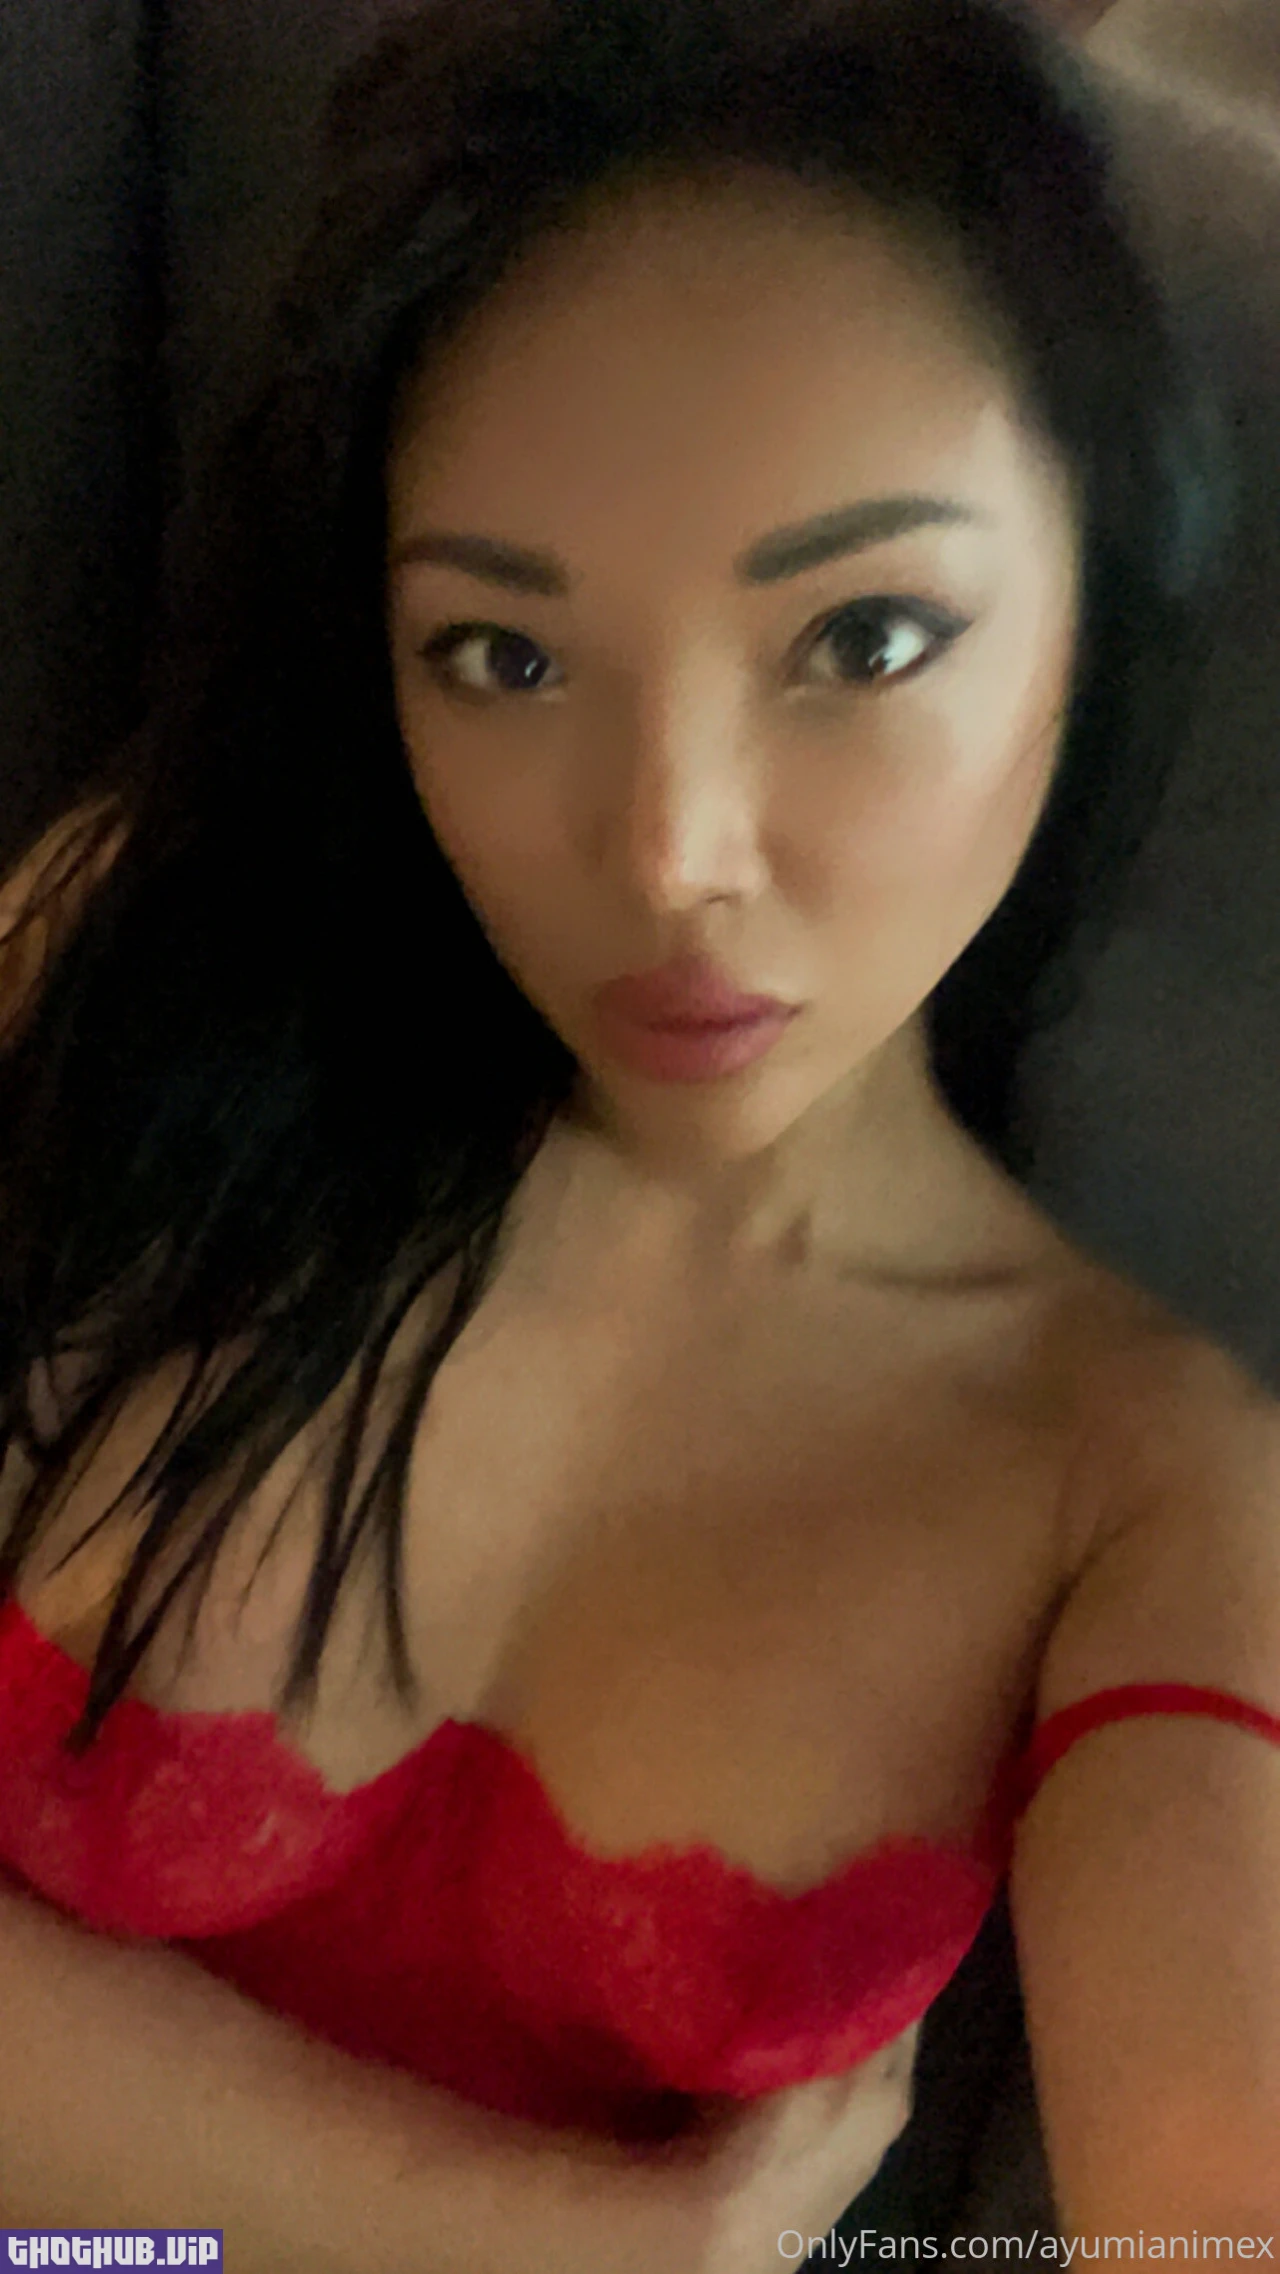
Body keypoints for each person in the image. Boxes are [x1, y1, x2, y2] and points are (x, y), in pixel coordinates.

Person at [0, 0, 1274, 2262]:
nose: (672, 852)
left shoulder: (1132, 1484)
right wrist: (579, 2242)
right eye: (502, 656)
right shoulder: (128, 974)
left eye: (864, 639)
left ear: (1097, 606)